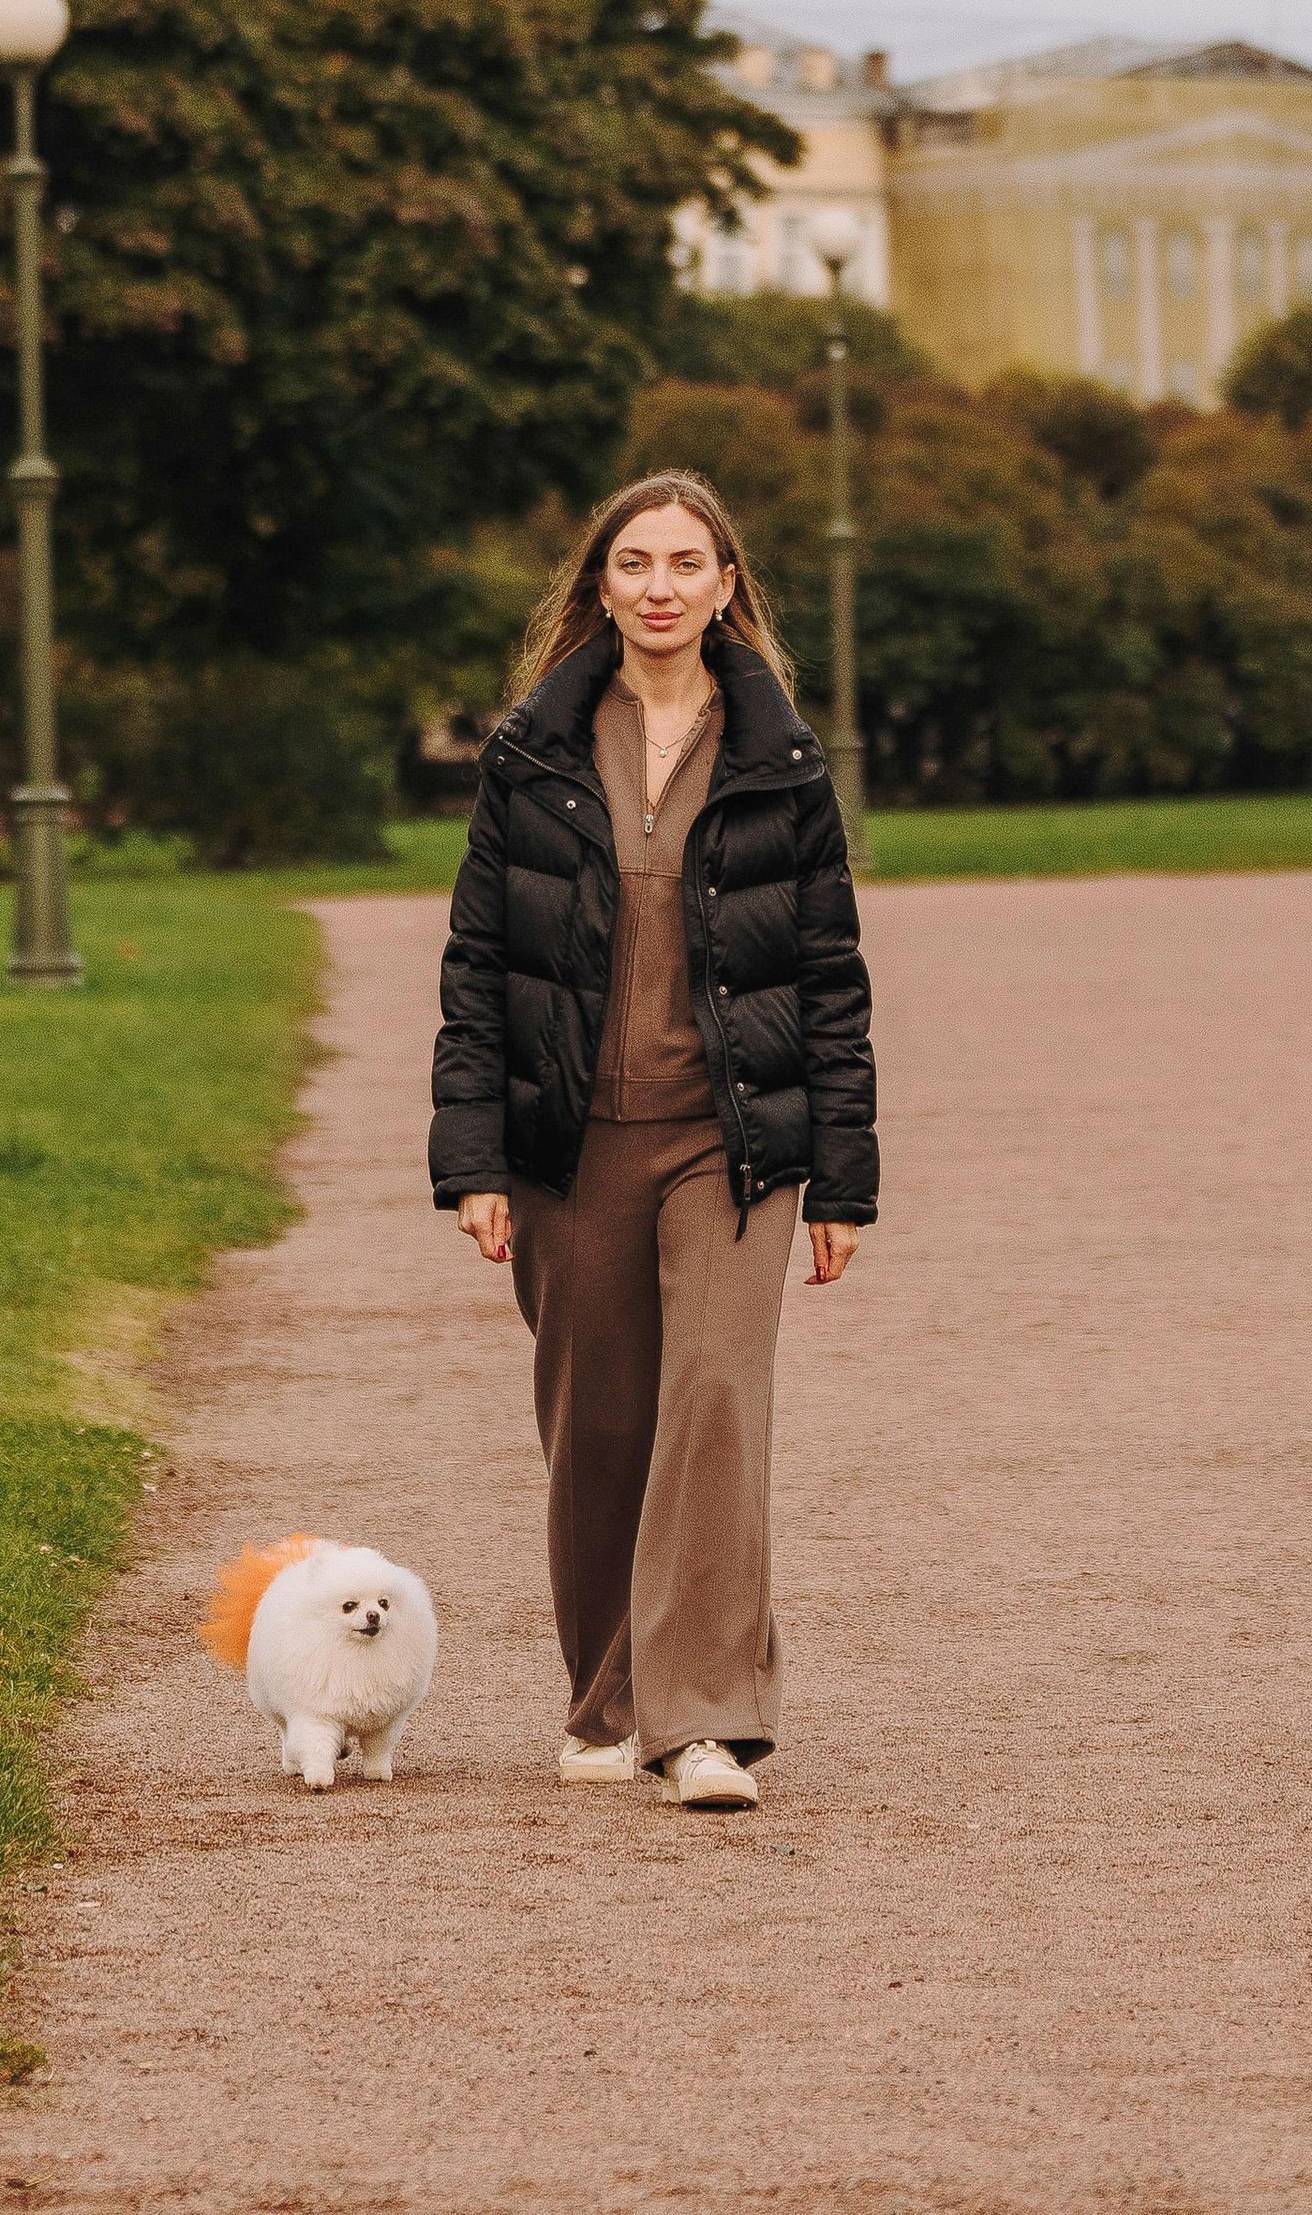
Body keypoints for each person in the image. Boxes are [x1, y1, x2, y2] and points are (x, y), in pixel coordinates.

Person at [428, 468, 877, 1813]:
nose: (663, 585)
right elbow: (477, 962)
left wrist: (842, 1176)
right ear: (603, 586)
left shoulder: (782, 760)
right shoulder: (534, 753)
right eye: (637, 563)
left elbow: (830, 973)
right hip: (570, 1142)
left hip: (731, 1142)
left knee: (717, 1399)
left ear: (728, 585)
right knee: (603, 1424)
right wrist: (472, 1159)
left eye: (689, 562)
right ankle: (608, 1699)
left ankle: (706, 1720)